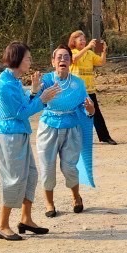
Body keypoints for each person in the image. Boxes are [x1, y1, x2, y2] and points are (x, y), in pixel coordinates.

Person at [0, 41, 61, 241]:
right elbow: (21, 113)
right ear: (18, 59)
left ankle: (26, 218)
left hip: (18, 133)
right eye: (28, 58)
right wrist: (42, 98)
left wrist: (34, 91)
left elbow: (23, 105)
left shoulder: (12, 80)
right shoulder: (5, 85)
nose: (30, 62)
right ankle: (2, 225)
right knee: (14, 179)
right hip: (9, 137)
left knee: (30, 175)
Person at [39, 45, 96, 216]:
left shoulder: (78, 84)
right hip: (48, 128)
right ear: (53, 61)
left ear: (71, 62)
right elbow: (34, 101)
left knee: (69, 167)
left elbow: (86, 109)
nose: (62, 60)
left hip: (71, 128)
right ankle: (49, 203)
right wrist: (34, 91)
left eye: (66, 57)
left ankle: (76, 197)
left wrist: (91, 109)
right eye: (59, 57)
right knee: (47, 168)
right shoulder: (45, 81)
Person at [68, 30, 116, 145]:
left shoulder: (89, 54)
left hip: (89, 89)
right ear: (74, 41)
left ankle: (105, 137)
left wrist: (104, 52)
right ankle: (74, 138)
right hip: (75, 90)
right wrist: (88, 47)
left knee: (96, 114)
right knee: (75, 113)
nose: (83, 42)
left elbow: (101, 62)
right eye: (80, 40)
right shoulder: (71, 52)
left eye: (84, 39)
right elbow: (74, 59)